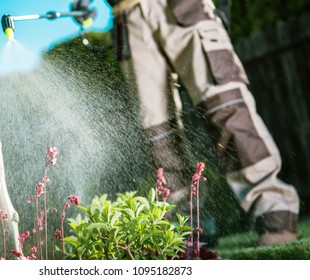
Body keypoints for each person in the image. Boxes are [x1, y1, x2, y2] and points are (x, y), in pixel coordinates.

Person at [72, 0, 300, 246]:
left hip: (185, 8)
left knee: (225, 106)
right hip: (128, 20)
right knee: (158, 135)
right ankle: (188, 232)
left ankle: (276, 215)